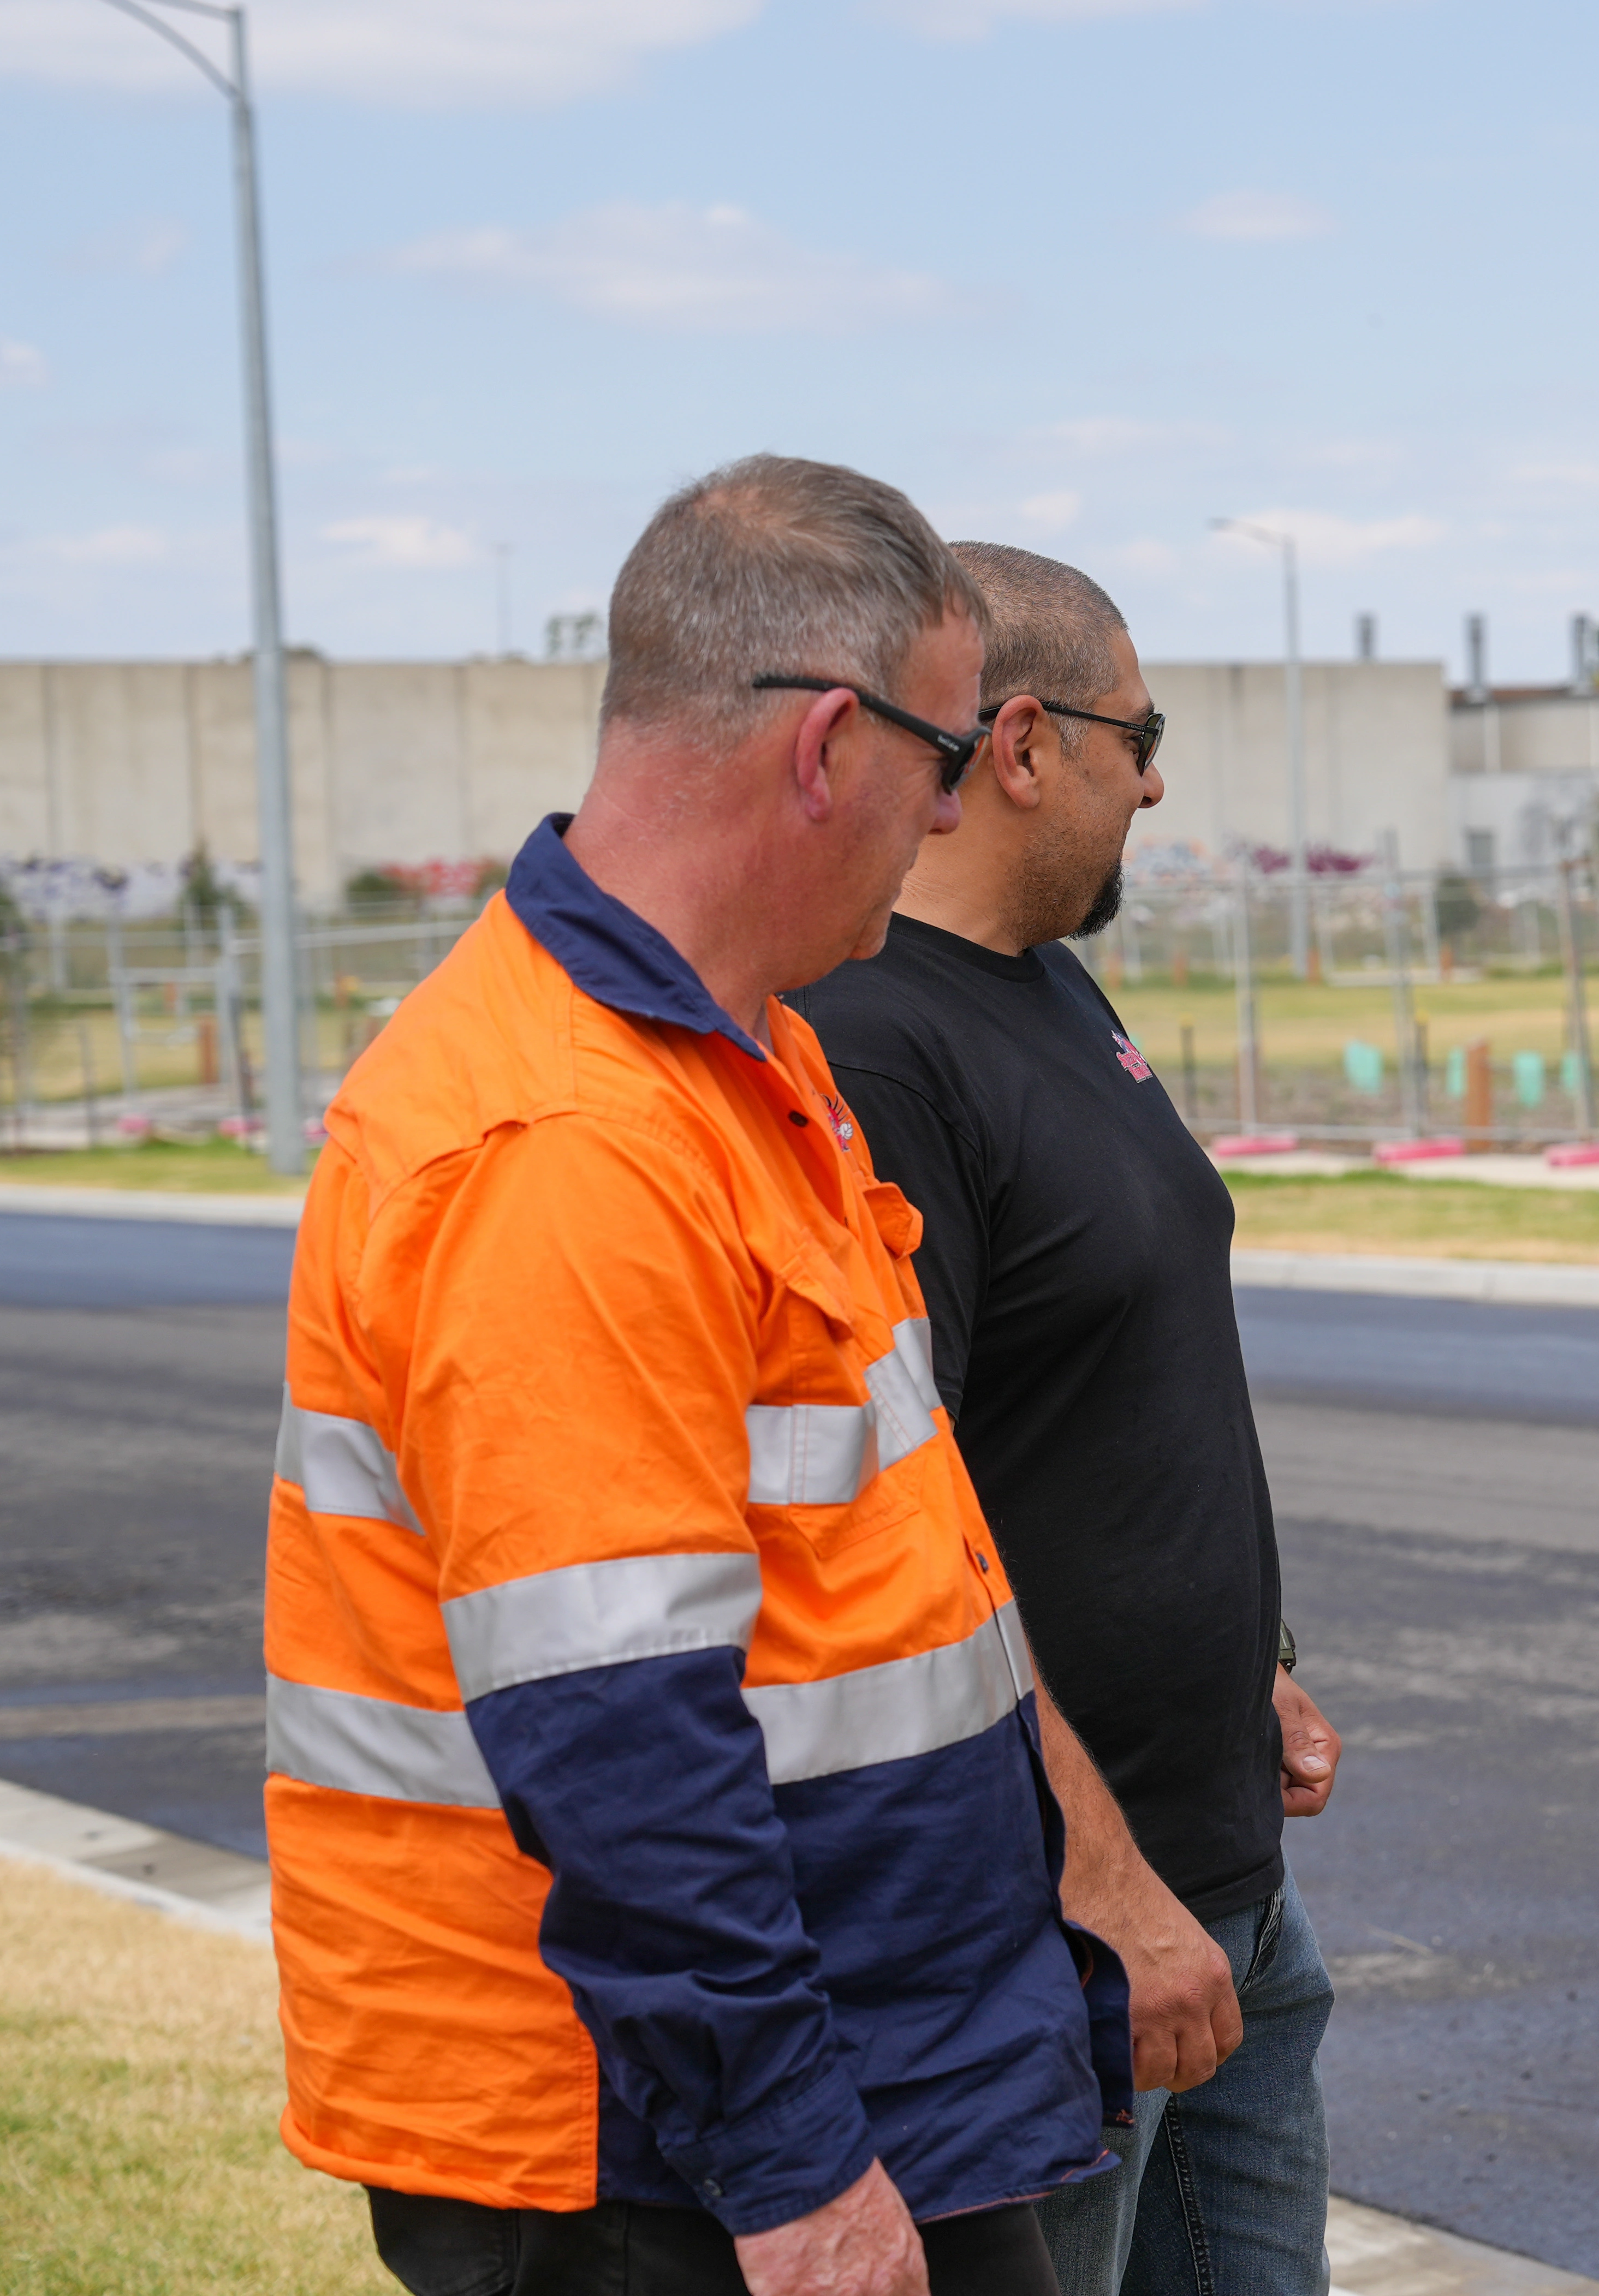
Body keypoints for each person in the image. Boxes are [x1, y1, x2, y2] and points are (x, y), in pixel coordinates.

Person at [264, 456, 1129, 2296]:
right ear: (831, 746)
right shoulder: (561, 1141)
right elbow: (613, 1729)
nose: (955, 808)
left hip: (832, 2075)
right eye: (950, 755)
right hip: (648, 2154)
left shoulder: (745, 1065)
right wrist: (797, 2173)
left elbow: (881, 1582)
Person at [790, 544, 1340, 2296]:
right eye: (1139, 730)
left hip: (1225, 1880)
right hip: (1066, 1930)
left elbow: (1109, 1386)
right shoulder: (874, 1047)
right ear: (1022, 742)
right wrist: (1095, 1879)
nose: (1158, 778)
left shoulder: (1048, 988)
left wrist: (1250, 1654)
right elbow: (899, 1520)